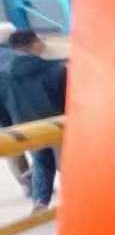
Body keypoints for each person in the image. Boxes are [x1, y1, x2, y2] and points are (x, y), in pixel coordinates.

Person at [3, 30, 68, 210]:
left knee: (41, 162)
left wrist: (8, 127)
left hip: (27, 128)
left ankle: (40, 203)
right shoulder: (54, 69)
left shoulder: (4, 74)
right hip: (55, 124)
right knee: (68, 164)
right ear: (34, 44)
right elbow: (67, 98)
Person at [0, 35, 32, 195]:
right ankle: (35, 176)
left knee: (12, 147)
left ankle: (27, 184)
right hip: (22, 107)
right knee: (42, 145)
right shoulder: (16, 55)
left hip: (5, 111)